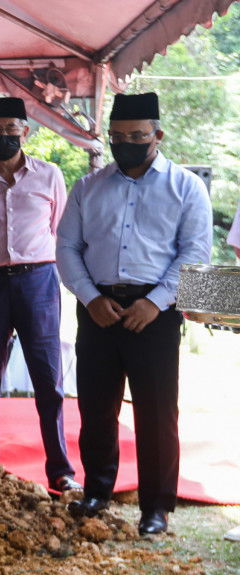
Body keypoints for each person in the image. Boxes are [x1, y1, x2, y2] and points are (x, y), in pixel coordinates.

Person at [57, 92, 211, 536]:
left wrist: (156, 301)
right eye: (118, 137)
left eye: (138, 136)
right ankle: (97, 491)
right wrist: (89, 297)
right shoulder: (88, 187)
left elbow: (195, 254)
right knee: (96, 406)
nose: (127, 143)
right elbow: (66, 247)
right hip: (99, 307)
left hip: (157, 314)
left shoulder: (186, 187)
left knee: (158, 412)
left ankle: (156, 508)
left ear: (158, 135)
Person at [0, 96, 79, 494]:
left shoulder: (50, 175)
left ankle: (60, 469)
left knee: (48, 378)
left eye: (12, 129)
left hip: (39, 281)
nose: (4, 136)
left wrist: (33, 268)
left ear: (25, 132)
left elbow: (61, 231)